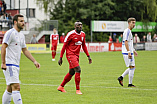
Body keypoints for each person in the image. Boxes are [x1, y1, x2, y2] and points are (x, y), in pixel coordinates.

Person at [1, 14, 40, 104]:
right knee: (16, 87)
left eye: (24, 21)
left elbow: (25, 50)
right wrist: (3, 63)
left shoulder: (21, 35)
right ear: (15, 22)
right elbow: (3, 47)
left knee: (10, 88)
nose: (23, 23)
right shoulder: (10, 33)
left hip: (16, 65)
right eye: (21, 21)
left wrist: (34, 61)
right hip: (9, 64)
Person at [57, 21, 92, 95]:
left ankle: (61, 86)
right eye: (78, 25)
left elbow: (84, 46)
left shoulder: (83, 34)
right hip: (70, 55)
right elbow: (64, 46)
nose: (80, 26)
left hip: (76, 56)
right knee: (78, 69)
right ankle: (78, 90)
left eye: (81, 25)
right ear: (75, 26)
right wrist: (61, 57)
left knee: (71, 72)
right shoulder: (70, 34)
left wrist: (88, 56)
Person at [117, 17, 138, 87]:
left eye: (134, 23)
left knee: (132, 67)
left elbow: (129, 43)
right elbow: (125, 42)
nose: (134, 24)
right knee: (132, 67)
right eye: (132, 23)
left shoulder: (129, 31)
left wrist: (133, 50)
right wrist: (129, 52)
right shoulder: (127, 31)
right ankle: (130, 84)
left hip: (128, 51)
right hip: (127, 52)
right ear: (129, 23)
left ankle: (121, 77)